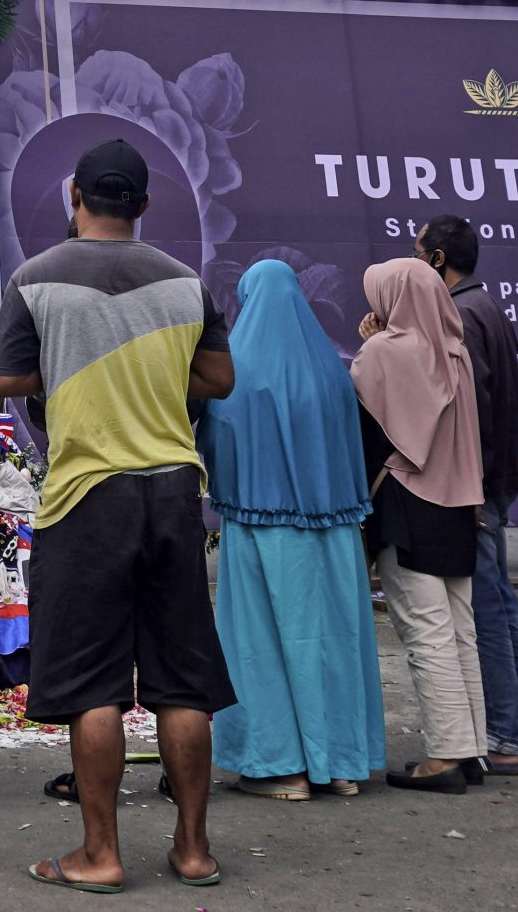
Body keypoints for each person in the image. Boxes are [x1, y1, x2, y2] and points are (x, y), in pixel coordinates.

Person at [0, 138, 235, 893]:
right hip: (173, 493)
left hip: (86, 497)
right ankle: (193, 849)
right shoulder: (185, 282)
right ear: (144, 204)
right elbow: (218, 377)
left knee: (94, 684)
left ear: (75, 196)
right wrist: (150, 367)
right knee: (182, 681)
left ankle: (101, 854)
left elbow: (3, 376)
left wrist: (74, 362)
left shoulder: (35, 278)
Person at [198, 259, 386, 800]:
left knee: (261, 645)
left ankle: (281, 768)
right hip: (333, 529)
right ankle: (340, 764)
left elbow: (215, 440)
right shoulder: (330, 371)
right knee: (333, 640)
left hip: (260, 527)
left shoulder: (236, 370)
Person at [417, 215, 518, 776]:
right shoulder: (485, 306)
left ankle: (505, 739)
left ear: (438, 259)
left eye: (419, 252)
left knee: (486, 611)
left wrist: (468, 486)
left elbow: (470, 410)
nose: (415, 261)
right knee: (500, 605)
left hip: (475, 487)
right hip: (492, 481)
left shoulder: (460, 314)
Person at [352, 258, 487, 794]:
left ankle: (445, 756)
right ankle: (471, 749)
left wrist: (374, 346)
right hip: (458, 505)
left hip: (407, 504)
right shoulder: (456, 352)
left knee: (426, 635)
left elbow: (368, 428)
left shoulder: (382, 353)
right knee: (459, 630)